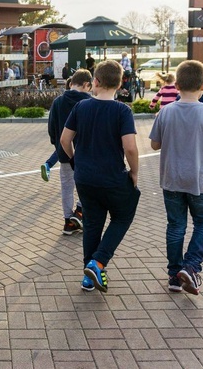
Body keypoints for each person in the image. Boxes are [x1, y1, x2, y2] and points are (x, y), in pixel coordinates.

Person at [60, 61, 140, 293]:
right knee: (123, 216)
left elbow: (65, 140)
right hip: (112, 177)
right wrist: (134, 172)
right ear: (119, 84)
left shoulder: (81, 108)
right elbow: (131, 148)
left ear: (95, 82)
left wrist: (76, 161)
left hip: (84, 178)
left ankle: (88, 278)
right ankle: (98, 262)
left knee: (93, 224)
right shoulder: (122, 111)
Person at [149, 61, 203, 295]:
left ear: (178, 84)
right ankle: (191, 266)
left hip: (172, 180)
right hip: (201, 181)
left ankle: (174, 275)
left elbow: (154, 144)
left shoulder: (166, 111)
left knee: (176, 226)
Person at [46, 70, 93, 235]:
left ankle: (68, 222)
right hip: (85, 153)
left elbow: (51, 129)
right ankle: (79, 212)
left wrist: (58, 146)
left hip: (65, 152)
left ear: (72, 82)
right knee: (87, 186)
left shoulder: (58, 102)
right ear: (86, 84)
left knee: (66, 186)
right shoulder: (89, 101)